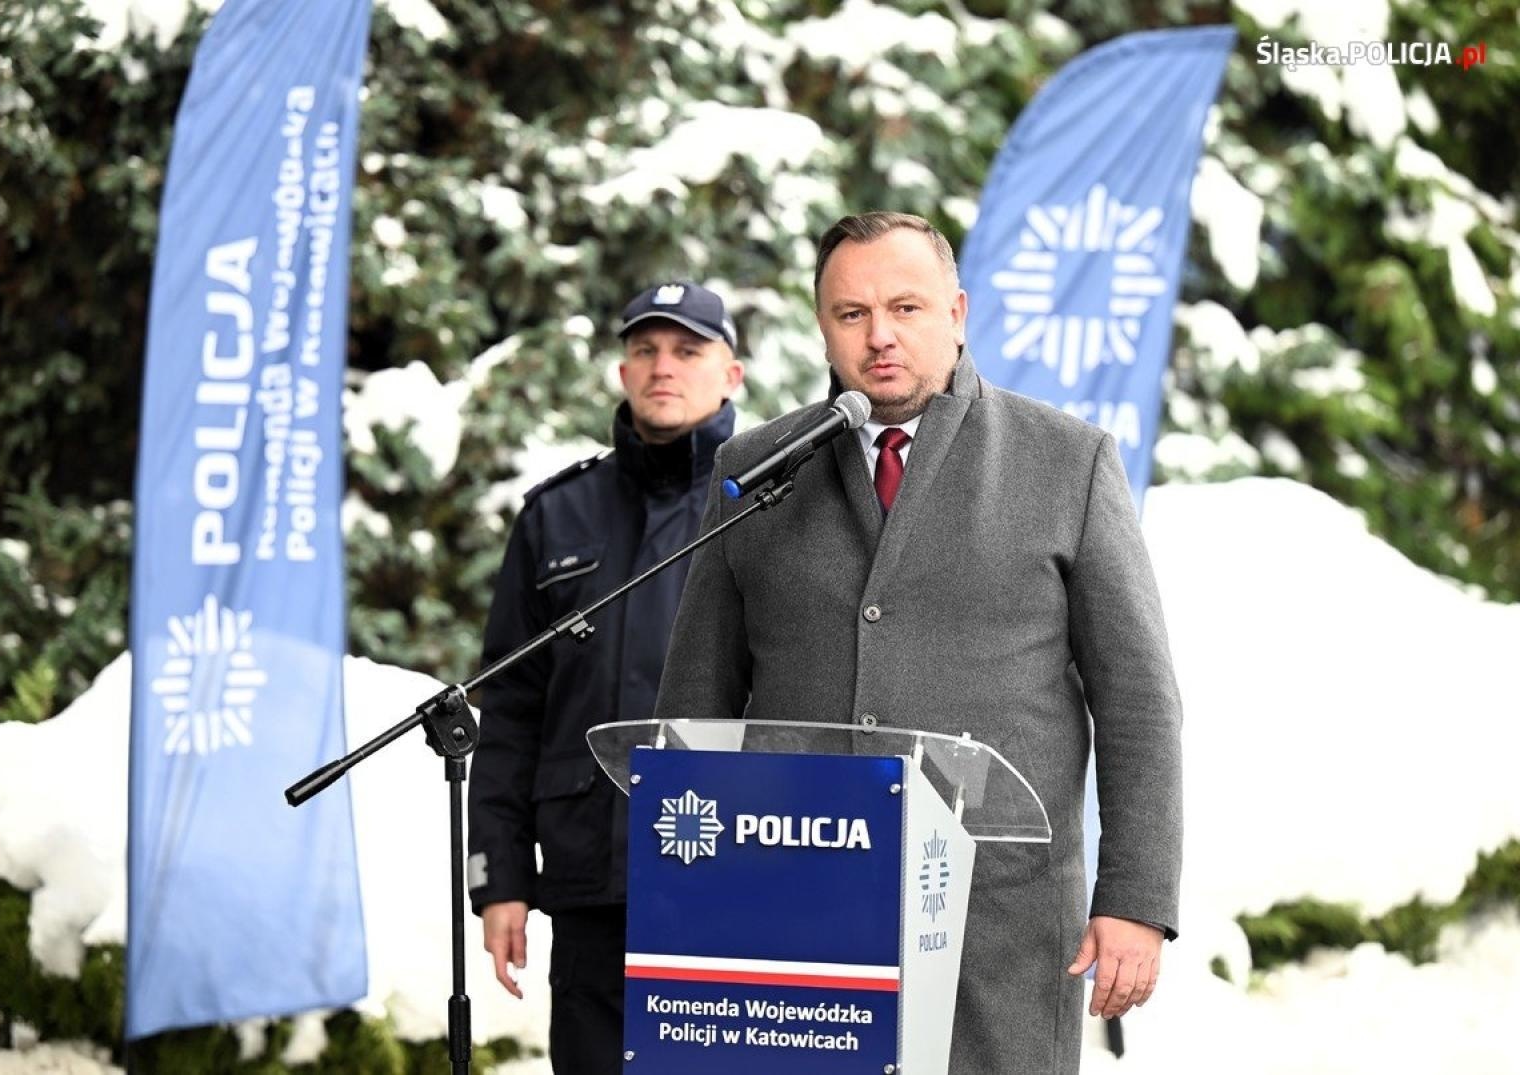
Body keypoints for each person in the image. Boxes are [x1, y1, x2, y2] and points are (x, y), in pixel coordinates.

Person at [652, 212, 1183, 1072]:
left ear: (958, 312)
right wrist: (681, 881)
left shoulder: (1066, 461)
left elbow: (1139, 701)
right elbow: (696, 700)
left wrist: (1136, 896)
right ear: (821, 325)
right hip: (797, 910)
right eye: (851, 314)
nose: (881, 336)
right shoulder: (756, 470)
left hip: (997, 922)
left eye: (906, 306)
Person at [467, 281, 744, 1073]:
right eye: (646, 349)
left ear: (731, 375)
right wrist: (502, 877)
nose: (664, 367)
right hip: (591, 888)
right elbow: (512, 709)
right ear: (622, 371)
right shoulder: (558, 515)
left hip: (728, 880)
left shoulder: (767, 505)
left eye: (688, 350)